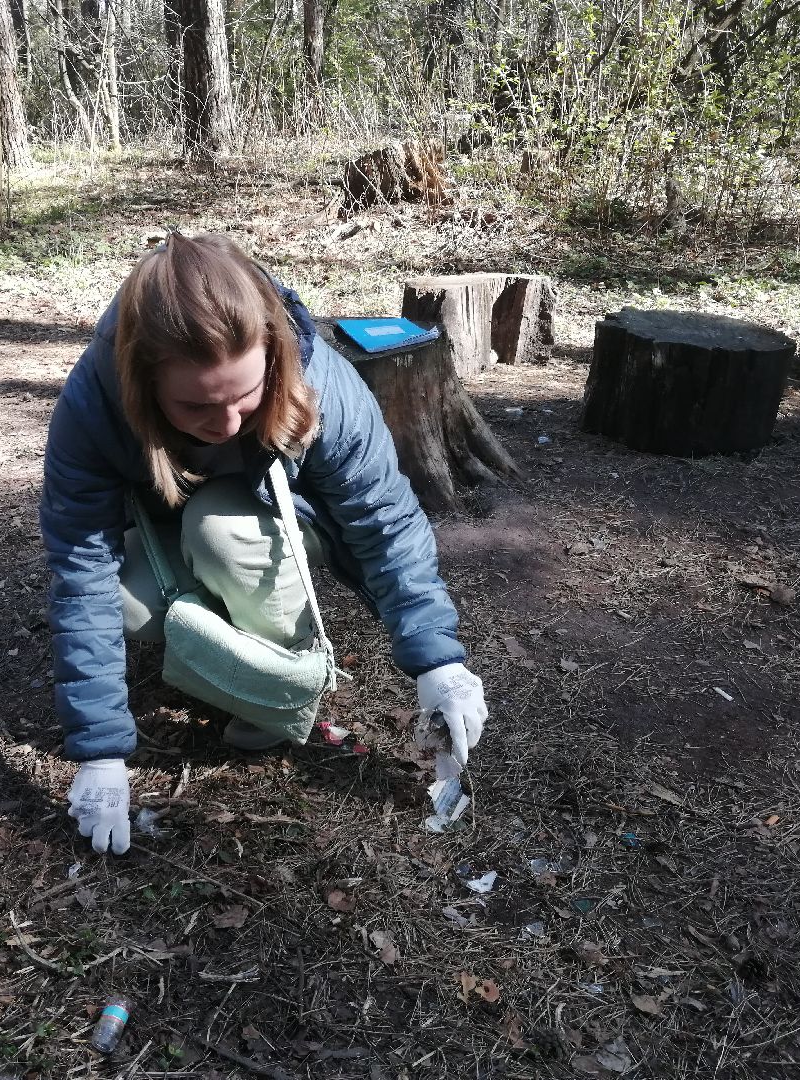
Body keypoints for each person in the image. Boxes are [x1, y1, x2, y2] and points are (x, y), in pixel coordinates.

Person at [40, 233, 489, 855]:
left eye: (246, 397)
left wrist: (437, 659)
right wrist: (99, 750)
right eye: (195, 405)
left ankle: (273, 697)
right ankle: (217, 647)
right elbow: (83, 565)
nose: (227, 424)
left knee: (221, 533)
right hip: (166, 531)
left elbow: (383, 522)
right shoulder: (93, 404)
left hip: (266, 528)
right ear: (142, 385)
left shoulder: (321, 383)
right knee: (127, 605)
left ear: (274, 355)